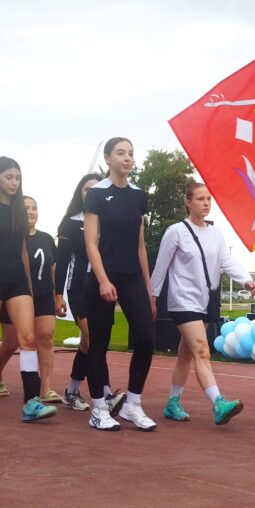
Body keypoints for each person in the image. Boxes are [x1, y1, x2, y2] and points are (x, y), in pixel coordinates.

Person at [149, 183, 255, 425]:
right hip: (183, 301)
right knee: (202, 350)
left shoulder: (216, 234)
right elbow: (162, 265)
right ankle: (218, 403)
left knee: (186, 353)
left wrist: (246, 279)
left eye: (209, 199)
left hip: (207, 300)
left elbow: (226, 262)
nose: (206, 203)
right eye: (200, 199)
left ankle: (172, 403)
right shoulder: (176, 231)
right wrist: (152, 296)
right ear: (188, 202)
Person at [0, 157, 56, 422]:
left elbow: (23, 251)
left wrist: (27, 284)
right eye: (9, 177)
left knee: (27, 339)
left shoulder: (19, 209)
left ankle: (32, 403)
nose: (14, 182)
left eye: (17, 177)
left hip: (17, 282)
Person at [83, 138, 157, 431]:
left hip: (131, 278)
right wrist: (102, 280)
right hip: (101, 276)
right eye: (121, 153)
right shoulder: (97, 194)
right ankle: (98, 408)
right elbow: (90, 241)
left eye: (131, 154)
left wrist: (148, 289)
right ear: (108, 158)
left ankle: (133, 405)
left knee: (146, 337)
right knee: (98, 344)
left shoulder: (139, 196)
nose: (127, 158)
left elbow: (140, 245)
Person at [0, 196, 60, 403]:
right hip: (16, 296)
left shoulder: (47, 239)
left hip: (43, 295)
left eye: (34, 208)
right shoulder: (10, 237)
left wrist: (58, 296)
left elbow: (53, 269)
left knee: (46, 338)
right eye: (26, 208)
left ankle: (46, 388)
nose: (31, 212)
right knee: (12, 343)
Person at [53, 173, 104, 411]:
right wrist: (58, 295)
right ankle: (104, 392)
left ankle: (71, 391)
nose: (91, 193)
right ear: (80, 193)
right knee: (94, 339)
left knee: (88, 342)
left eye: (96, 188)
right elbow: (62, 262)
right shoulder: (70, 223)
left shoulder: (109, 220)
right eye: (87, 189)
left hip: (103, 290)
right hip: (79, 290)